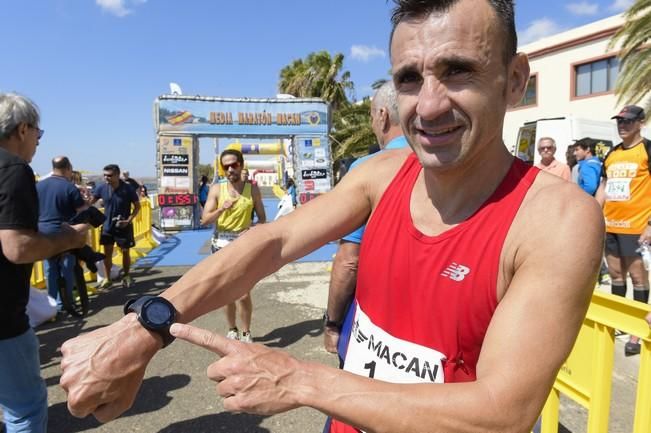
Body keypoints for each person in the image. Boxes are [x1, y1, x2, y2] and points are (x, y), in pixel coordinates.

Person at [59, 2, 604, 432]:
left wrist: (300, 381)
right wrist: (143, 325)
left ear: (513, 80)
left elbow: (500, 414)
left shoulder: (555, 220)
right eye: (410, 79)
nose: (430, 105)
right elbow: (272, 242)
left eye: (458, 71)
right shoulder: (384, 174)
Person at [0, 93, 89, 433]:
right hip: (4, 320)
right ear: (22, 130)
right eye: (38, 132)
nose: (38, 141)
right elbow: (18, 247)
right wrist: (72, 238)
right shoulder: (13, 168)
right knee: (26, 409)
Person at [324, 81, 408, 357]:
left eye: (372, 115)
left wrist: (332, 322)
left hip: (375, 326)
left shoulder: (367, 169)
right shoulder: (450, 166)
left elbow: (349, 260)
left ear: (383, 116)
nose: (372, 122)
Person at [596, 105, 651, 356]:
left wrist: (650, 225)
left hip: (637, 228)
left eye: (628, 121)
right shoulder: (612, 153)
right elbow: (604, 186)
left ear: (640, 122)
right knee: (616, 276)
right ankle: (618, 322)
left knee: (638, 278)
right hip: (611, 226)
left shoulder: (647, 149)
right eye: (619, 121)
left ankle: (637, 333)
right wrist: (594, 215)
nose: (622, 125)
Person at [199, 149, 266, 342]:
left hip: (243, 243)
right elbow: (205, 220)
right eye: (225, 166)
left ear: (241, 165)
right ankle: (232, 328)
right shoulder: (216, 189)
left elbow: (262, 218)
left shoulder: (252, 188)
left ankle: (246, 332)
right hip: (220, 244)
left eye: (233, 165)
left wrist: (252, 229)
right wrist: (221, 208)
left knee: (243, 294)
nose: (230, 169)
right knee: (225, 292)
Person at [37, 156, 87, 310]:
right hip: (65, 233)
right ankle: (67, 302)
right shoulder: (69, 187)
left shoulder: (38, 186)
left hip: (43, 233)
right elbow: (83, 213)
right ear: (68, 168)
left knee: (51, 270)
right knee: (67, 268)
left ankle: (53, 304)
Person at [91, 164, 141, 289]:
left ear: (117, 175)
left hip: (123, 226)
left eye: (109, 175)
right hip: (107, 226)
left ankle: (127, 275)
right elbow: (89, 203)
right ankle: (107, 279)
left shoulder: (128, 189)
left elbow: (137, 206)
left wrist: (128, 220)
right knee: (107, 254)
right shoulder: (102, 188)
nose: (106, 178)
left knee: (125, 252)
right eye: (104, 175)